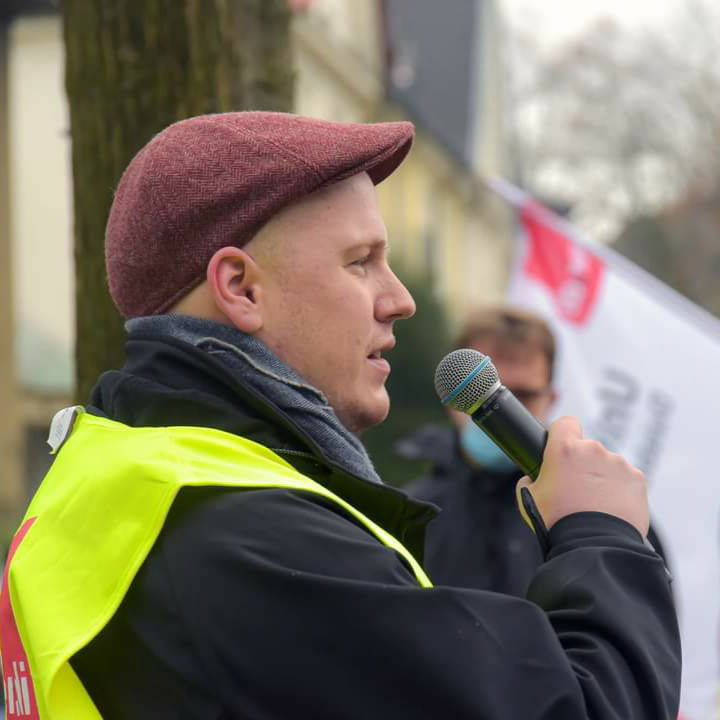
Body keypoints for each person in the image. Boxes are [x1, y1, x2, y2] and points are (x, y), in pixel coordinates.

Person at [0, 112, 679, 719]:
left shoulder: (108, 482)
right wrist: (604, 538)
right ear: (240, 288)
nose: (401, 299)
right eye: (361, 263)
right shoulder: (249, 536)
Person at [401, 308, 669, 596]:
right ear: (452, 400)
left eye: (521, 397)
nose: (498, 413)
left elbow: (640, 623)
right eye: (479, 394)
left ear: (551, 399)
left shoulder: (600, 510)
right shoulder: (408, 517)